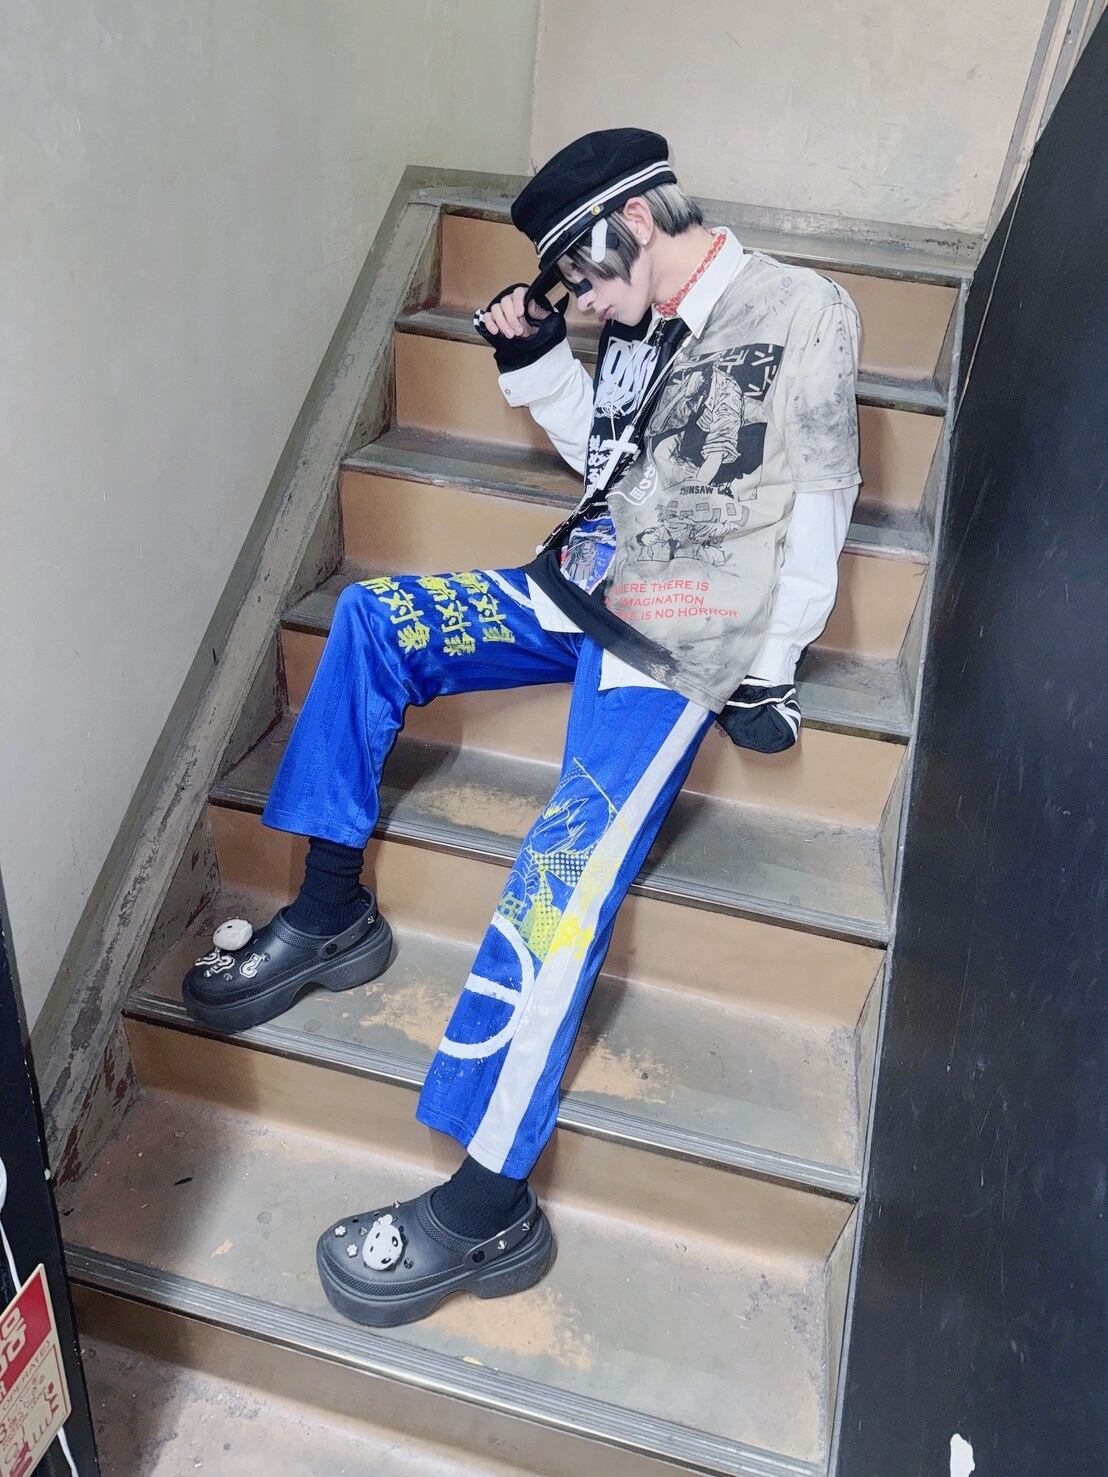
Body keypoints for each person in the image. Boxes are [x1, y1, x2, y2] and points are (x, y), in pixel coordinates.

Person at [181, 128, 861, 1328]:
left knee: (559, 869)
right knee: (374, 619)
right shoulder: (637, 313)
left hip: (678, 632)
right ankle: (331, 911)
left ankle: (487, 1201)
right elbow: (608, 463)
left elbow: (821, 494)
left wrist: (769, 669)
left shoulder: (801, 310)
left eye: (583, 275)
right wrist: (542, 360)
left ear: (636, 220)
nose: (584, 300)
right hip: (585, 580)